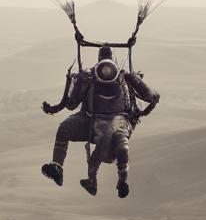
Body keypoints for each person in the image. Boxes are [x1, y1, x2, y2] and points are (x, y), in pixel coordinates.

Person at [41, 45, 159, 198]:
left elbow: (152, 96)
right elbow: (71, 103)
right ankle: (57, 167)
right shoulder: (90, 78)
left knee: (117, 141)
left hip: (120, 120)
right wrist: (79, 84)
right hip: (90, 119)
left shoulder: (126, 79)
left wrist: (136, 80)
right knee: (64, 128)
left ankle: (116, 181)